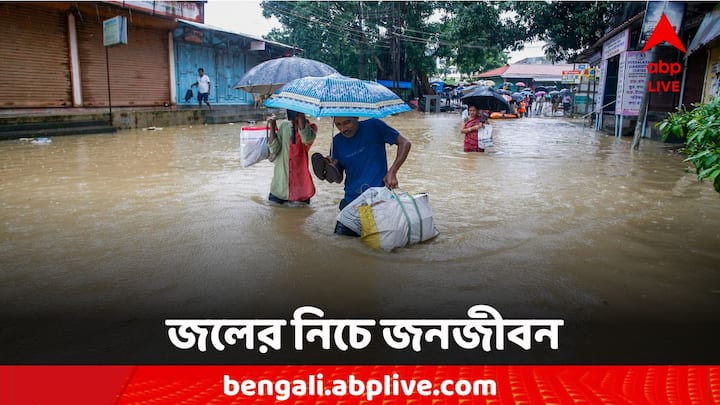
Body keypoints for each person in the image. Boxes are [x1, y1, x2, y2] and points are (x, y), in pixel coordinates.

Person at [312, 117, 411, 236]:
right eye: (338, 124)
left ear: (356, 117)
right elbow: (338, 179)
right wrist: (330, 168)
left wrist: (392, 172)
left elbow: (405, 143)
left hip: (377, 201)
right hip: (350, 203)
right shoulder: (336, 142)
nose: (343, 129)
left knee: (381, 247)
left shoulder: (374, 126)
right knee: (340, 244)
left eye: (347, 122)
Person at [266, 110, 317, 204]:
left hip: (301, 190)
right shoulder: (285, 126)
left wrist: (301, 117)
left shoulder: (311, 128)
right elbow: (274, 149)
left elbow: (306, 139)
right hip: (280, 187)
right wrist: (272, 126)